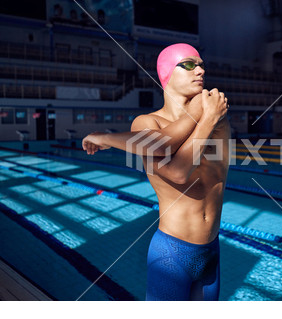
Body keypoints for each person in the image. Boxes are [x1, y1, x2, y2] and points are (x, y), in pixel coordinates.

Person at [81, 43, 230, 301]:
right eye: (189, 64)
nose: (200, 70)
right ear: (166, 74)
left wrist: (106, 138)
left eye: (201, 64)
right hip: (172, 253)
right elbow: (178, 173)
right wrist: (202, 117)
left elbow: (170, 144)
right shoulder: (148, 123)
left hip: (211, 252)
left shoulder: (219, 117)